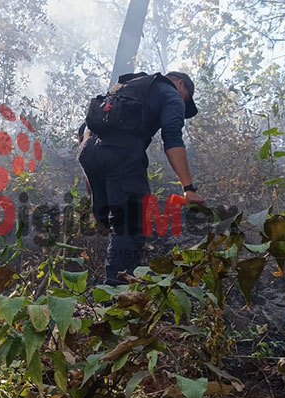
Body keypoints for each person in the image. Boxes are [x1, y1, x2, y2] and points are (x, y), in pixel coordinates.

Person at [77, 71, 205, 285]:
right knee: (130, 226)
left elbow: (85, 130)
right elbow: (172, 138)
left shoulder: (127, 87)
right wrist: (189, 187)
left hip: (89, 152)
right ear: (181, 84)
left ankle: (112, 286)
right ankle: (116, 298)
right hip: (121, 154)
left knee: (116, 225)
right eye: (186, 99)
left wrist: (91, 175)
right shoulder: (171, 93)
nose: (183, 106)